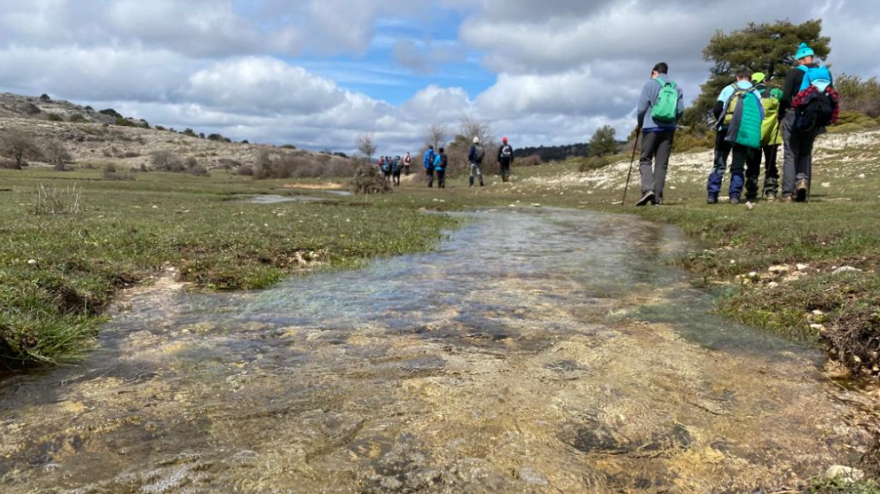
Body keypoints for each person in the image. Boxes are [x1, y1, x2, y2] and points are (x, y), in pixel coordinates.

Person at [780, 42, 837, 203]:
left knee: (791, 152)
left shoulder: (794, 73)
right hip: (815, 117)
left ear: (800, 59)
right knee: (806, 152)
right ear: (811, 57)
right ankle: (802, 183)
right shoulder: (825, 73)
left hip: (794, 114)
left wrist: (780, 114)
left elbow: (785, 97)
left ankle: (787, 193)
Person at [706, 68, 764, 205]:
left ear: (737, 77)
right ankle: (735, 195)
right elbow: (761, 114)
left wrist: (721, 123)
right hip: (743, 132)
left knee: (719, 163)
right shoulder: (755, 92)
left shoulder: (728, 89)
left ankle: (712, 194)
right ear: (750, 78)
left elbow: (717, 109)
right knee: (738, 165)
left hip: (725, 130)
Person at [635, 62, 685, 206]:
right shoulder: (677, 87)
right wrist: (672, 121)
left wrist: (640, 124)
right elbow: (681, 110)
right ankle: (657, 198)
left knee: (645, 159)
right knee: (661, 164)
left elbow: (641, 109)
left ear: (654, 72)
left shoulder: (649, 84)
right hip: (669, 129)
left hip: (651, 127)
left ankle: (647, 190)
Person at [745, 72, 783, 201]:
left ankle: (751, 192)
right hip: (771, 135)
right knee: (771, 164)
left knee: (752, 165)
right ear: (765, 80)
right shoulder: (775, 92)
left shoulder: (749, 95)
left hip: (754, 135)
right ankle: (771, 191)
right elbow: (786, 100)